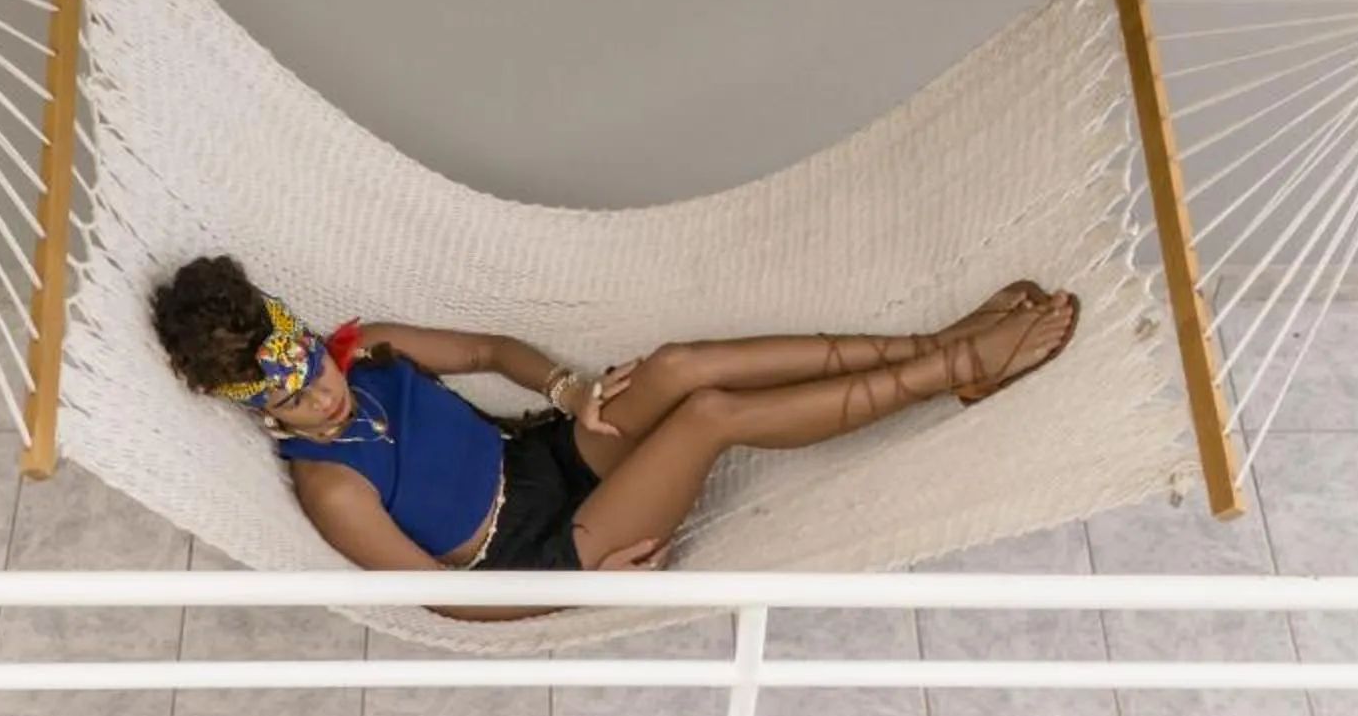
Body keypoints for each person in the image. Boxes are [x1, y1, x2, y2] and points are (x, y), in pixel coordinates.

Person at [150, 255, 1078, 622]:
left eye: (313, 358)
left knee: (673, 368)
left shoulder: (370, 347)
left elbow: (485, 348)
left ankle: (945, 345)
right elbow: (446, 601)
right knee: (709, 416)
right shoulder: (331, 489)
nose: (323, 386)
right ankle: (956, 371)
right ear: (259, 409)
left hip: (542, 454)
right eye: (299, 394)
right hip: (542, 549)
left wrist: (568, 387)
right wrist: (584, 585)